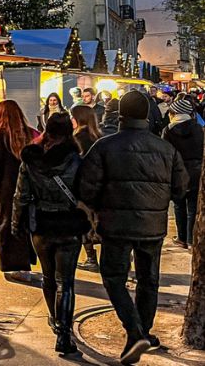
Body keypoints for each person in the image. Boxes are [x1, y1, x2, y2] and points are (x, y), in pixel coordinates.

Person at [79, 90, 188, 365]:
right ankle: (143, 332)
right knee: (149, 280)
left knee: (114, 277)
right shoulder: (166, 148)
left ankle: (134, 330)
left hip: (115, 225)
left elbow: (85, 187)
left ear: (121, 115)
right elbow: (180, 188)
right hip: (152, 225)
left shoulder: (105, 146)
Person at [12, 113, 89, 355]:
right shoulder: (76, 160)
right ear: (69, 132)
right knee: (65, 283)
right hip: (68, 226)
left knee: (47, 278)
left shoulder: (31, 161)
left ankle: (55, 321)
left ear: (47, 131)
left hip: (42, 226)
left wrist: (16, 225)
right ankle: (64, 335)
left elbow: (20, 197)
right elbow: (87, 193)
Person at [0, 99, 37, 282]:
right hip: (27, 189)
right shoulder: (29, 135)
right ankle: (25, 263)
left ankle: (13, 266)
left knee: (5, 227)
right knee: (23, 225)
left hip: (3, 191)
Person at [162, 96, 203, 250]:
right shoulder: (199, 129)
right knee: (193, 207)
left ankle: (182, 238)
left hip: (177, 172)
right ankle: (192, 240)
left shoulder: (168, 130)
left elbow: (165, 153)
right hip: (196, 171)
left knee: (179, 205)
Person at [70, 105, 102, 273]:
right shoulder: (99, 137)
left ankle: (91, 257)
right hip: (99, 187)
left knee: (83, 222)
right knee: (97, 221)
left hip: (83, 187)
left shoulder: (78, 139)